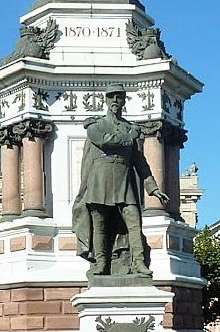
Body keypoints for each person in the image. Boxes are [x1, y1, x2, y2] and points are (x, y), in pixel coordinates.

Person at [72, 83, 169, 277]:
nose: (115, 100)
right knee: (99, 226)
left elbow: (140, 162)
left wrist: (153, 188)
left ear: (124, 100)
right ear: (106, 100)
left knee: (134, 223)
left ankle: (139, 263)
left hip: (124, 181)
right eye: (112, 97)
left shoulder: (128, 127)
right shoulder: (95, 125)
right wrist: (129, 137)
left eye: (119, 97)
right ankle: (101, 264)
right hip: (100, 181)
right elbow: (104, 140)